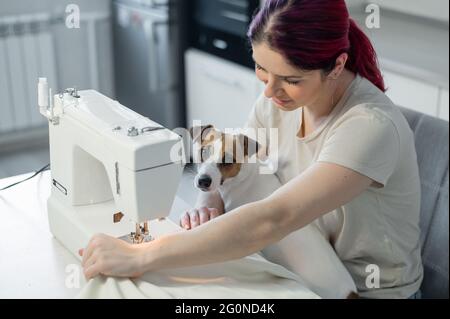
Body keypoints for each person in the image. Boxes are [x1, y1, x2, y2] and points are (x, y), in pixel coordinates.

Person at [79, 0, 423, 299]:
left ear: (336, 65)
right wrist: (208, 199)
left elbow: (274, 218)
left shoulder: (369, 127)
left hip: (358, 292)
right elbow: (235, 164)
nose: (271, 92)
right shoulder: (278, 101)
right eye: (262, 70)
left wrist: (141, 255)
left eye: (290, 79)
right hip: (297, 260)